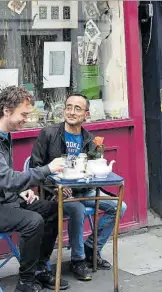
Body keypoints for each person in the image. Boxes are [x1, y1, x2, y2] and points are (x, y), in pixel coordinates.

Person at [0, 86, 67, 292]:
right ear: (7, 110)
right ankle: (25, 284)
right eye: (24, 115)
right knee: (32, 221)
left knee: (51, 209)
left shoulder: (1, 133)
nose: (26, 120)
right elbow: (7, 179)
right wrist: (47, 169)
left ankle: (39, 268)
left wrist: (19, 189)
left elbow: (2, 178)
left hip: (3, 200)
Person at [30, 93, 127, 280]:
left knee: (119, 206)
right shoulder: (49, 134)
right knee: (77, 208)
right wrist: (55, 184)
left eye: (77, 109)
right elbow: (36, 167)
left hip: (84, 189)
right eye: (68, 107)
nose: (71, 112)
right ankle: (78, 259)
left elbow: (92, 168)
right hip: (55, 192)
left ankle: (92, 248)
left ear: (86, 115)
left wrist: (95, 168)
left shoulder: (89, 140)